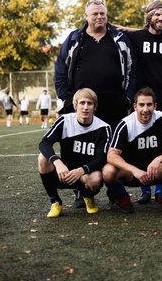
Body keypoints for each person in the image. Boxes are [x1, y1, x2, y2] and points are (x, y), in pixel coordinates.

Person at [54, 0, 136, 130]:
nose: (100, 17)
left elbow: (131, 69)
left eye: (103, 13)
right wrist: (65, 98)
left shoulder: (120, 38)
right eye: (95, 14)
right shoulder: (73, 39)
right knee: (81, 148)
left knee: (112, 148)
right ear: (86, 16)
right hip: (82, 106)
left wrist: (128, 97)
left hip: (114, 105)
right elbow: (60, 68)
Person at [103, 87, 162, 213]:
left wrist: (158, 159)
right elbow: (111, 156)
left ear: (155, 106)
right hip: (132, 174)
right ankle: (123, 199)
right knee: (108, 171)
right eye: (141, 105)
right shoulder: (126, 124)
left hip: (156, 170)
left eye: (149, 105)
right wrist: (134, 170)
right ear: (135, 106)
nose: (145, 109)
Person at [127, 0, 162, 203]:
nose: (161, 19)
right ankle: (144, 187)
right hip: (142, 100)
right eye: (157, 15)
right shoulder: (135, 37)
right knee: (139, 144)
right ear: (149, 17)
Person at [37, 88, 112, 217]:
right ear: (75, 105)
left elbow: (102, 157)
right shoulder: (64, 121)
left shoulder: (103, 128)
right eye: (82, 103)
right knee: (42, 158)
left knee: (96, 178)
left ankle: (87, 197)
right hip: (64, 173)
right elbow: (44, 143)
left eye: (90, 103)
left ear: (95, 106)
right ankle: (55, 202)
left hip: (85, 174)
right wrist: (58, 162)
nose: (86, 107)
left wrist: (82, 170)